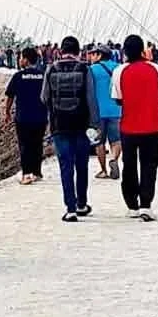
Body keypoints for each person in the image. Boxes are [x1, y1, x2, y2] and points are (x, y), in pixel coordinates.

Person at [110, 34, 158, 221]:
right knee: (149, 165)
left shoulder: (119, 71)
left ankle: (132, 204)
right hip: (151, 125)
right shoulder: (156, 69)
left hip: (128, 126)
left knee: (129, 165)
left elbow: (117, 98)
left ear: (124, 52)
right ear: (143, 50)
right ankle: (146, 205)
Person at [41, 36, 100, 221]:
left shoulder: (51, 69)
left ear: (60, 51)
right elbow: (91, 99)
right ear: (78, 51)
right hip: (81, 124)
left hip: (59, 125)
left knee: (65, 166)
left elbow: (44, 97)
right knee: (81, 165)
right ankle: (82, 204)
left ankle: (71, 208)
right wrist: (95, 124)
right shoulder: (85, 69)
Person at [4, 47, 48, 185]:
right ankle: (37, 172)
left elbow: (10, 96)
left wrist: (7, 112)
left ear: (26, 60)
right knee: (37, 144)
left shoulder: (18, 76)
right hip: (40, 117)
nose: (19, 60)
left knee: (25, 145)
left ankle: (26, 174)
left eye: (21, 57)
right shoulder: (43, 75)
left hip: (23, 117)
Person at [87, 46, 122, 180]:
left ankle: (103, 170)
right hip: (116, 109)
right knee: (116, 140)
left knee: (99, 142)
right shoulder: (118, 68)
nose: (91, 57)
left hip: (98, 112)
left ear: (100, 55)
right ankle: (113, 158)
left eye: (93, 54)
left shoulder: (92, 70)